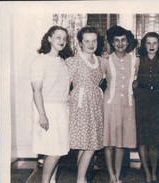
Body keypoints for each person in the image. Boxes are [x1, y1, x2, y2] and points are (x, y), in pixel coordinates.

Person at [30, 25, 73, 183]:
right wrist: (42, 115)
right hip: (47, 109)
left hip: (62, 110)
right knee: (54, 151)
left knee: (59, 151)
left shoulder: (63, 61)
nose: (62, 41)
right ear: (49, 38)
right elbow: (36, 91)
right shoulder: (40, 60)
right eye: (58, 37)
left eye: (64, 38)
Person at [65, 27, 104, 183]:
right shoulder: (73, 61)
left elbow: (100, 81)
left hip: (95, 103)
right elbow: (65, 86)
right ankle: (81, 180)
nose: (91, 44)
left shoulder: (100, 60)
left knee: (86, 145)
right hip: (80, 105)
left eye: (94, 40)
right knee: (90, 145)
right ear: (80, 43)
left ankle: (80, 179)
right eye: (87, 41)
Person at [101, 25, 139, 183]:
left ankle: (117, 174)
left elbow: (135, 82)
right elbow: (98, 81)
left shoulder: (135, 60)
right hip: (111, 104)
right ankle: (112, 176)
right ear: (111, 42)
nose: (120, 43)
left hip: (128, 105)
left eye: (123, 40)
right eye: (116, 41)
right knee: (109, 142)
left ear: (128, 42)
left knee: (121, 143)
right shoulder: (105, 60)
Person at [134, 32, 159, 183]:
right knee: (142, 139)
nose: (152, 46)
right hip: (140, 100)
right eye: (148, 43)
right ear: (144, 45)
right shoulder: (137, 60)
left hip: (157, 101)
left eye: (155, 43)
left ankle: (154, 171)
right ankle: (146, 172)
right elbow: (131, 79)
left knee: (154, 141)